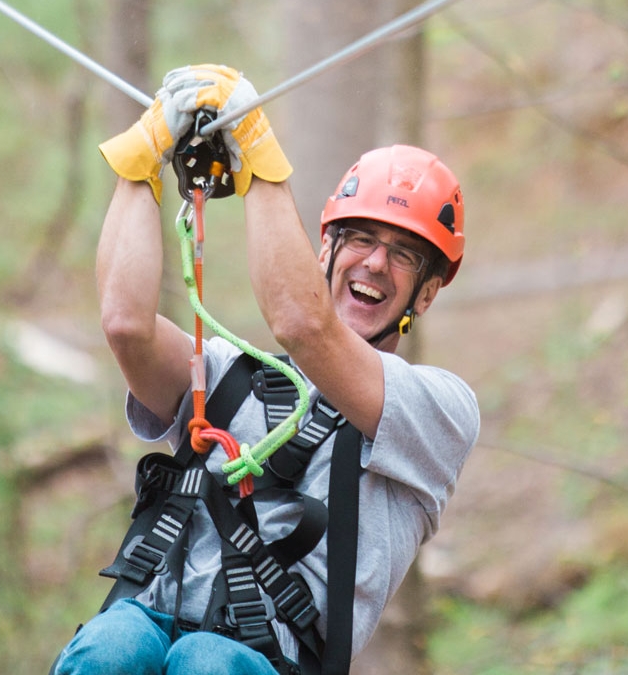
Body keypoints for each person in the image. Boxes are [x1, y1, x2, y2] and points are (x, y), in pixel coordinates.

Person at [53, 64, 479, 675]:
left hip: (266, 657)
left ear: (427, 293)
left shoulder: (436, 413)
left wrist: (257, 156)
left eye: (404, 254)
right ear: (326, 250)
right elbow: (126, 325)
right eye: (359, 237)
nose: (377, 263)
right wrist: (139, 162)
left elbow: (305, 328)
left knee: (207, 663)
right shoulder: (230, 376)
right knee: (112, 648)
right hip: (147, 619)